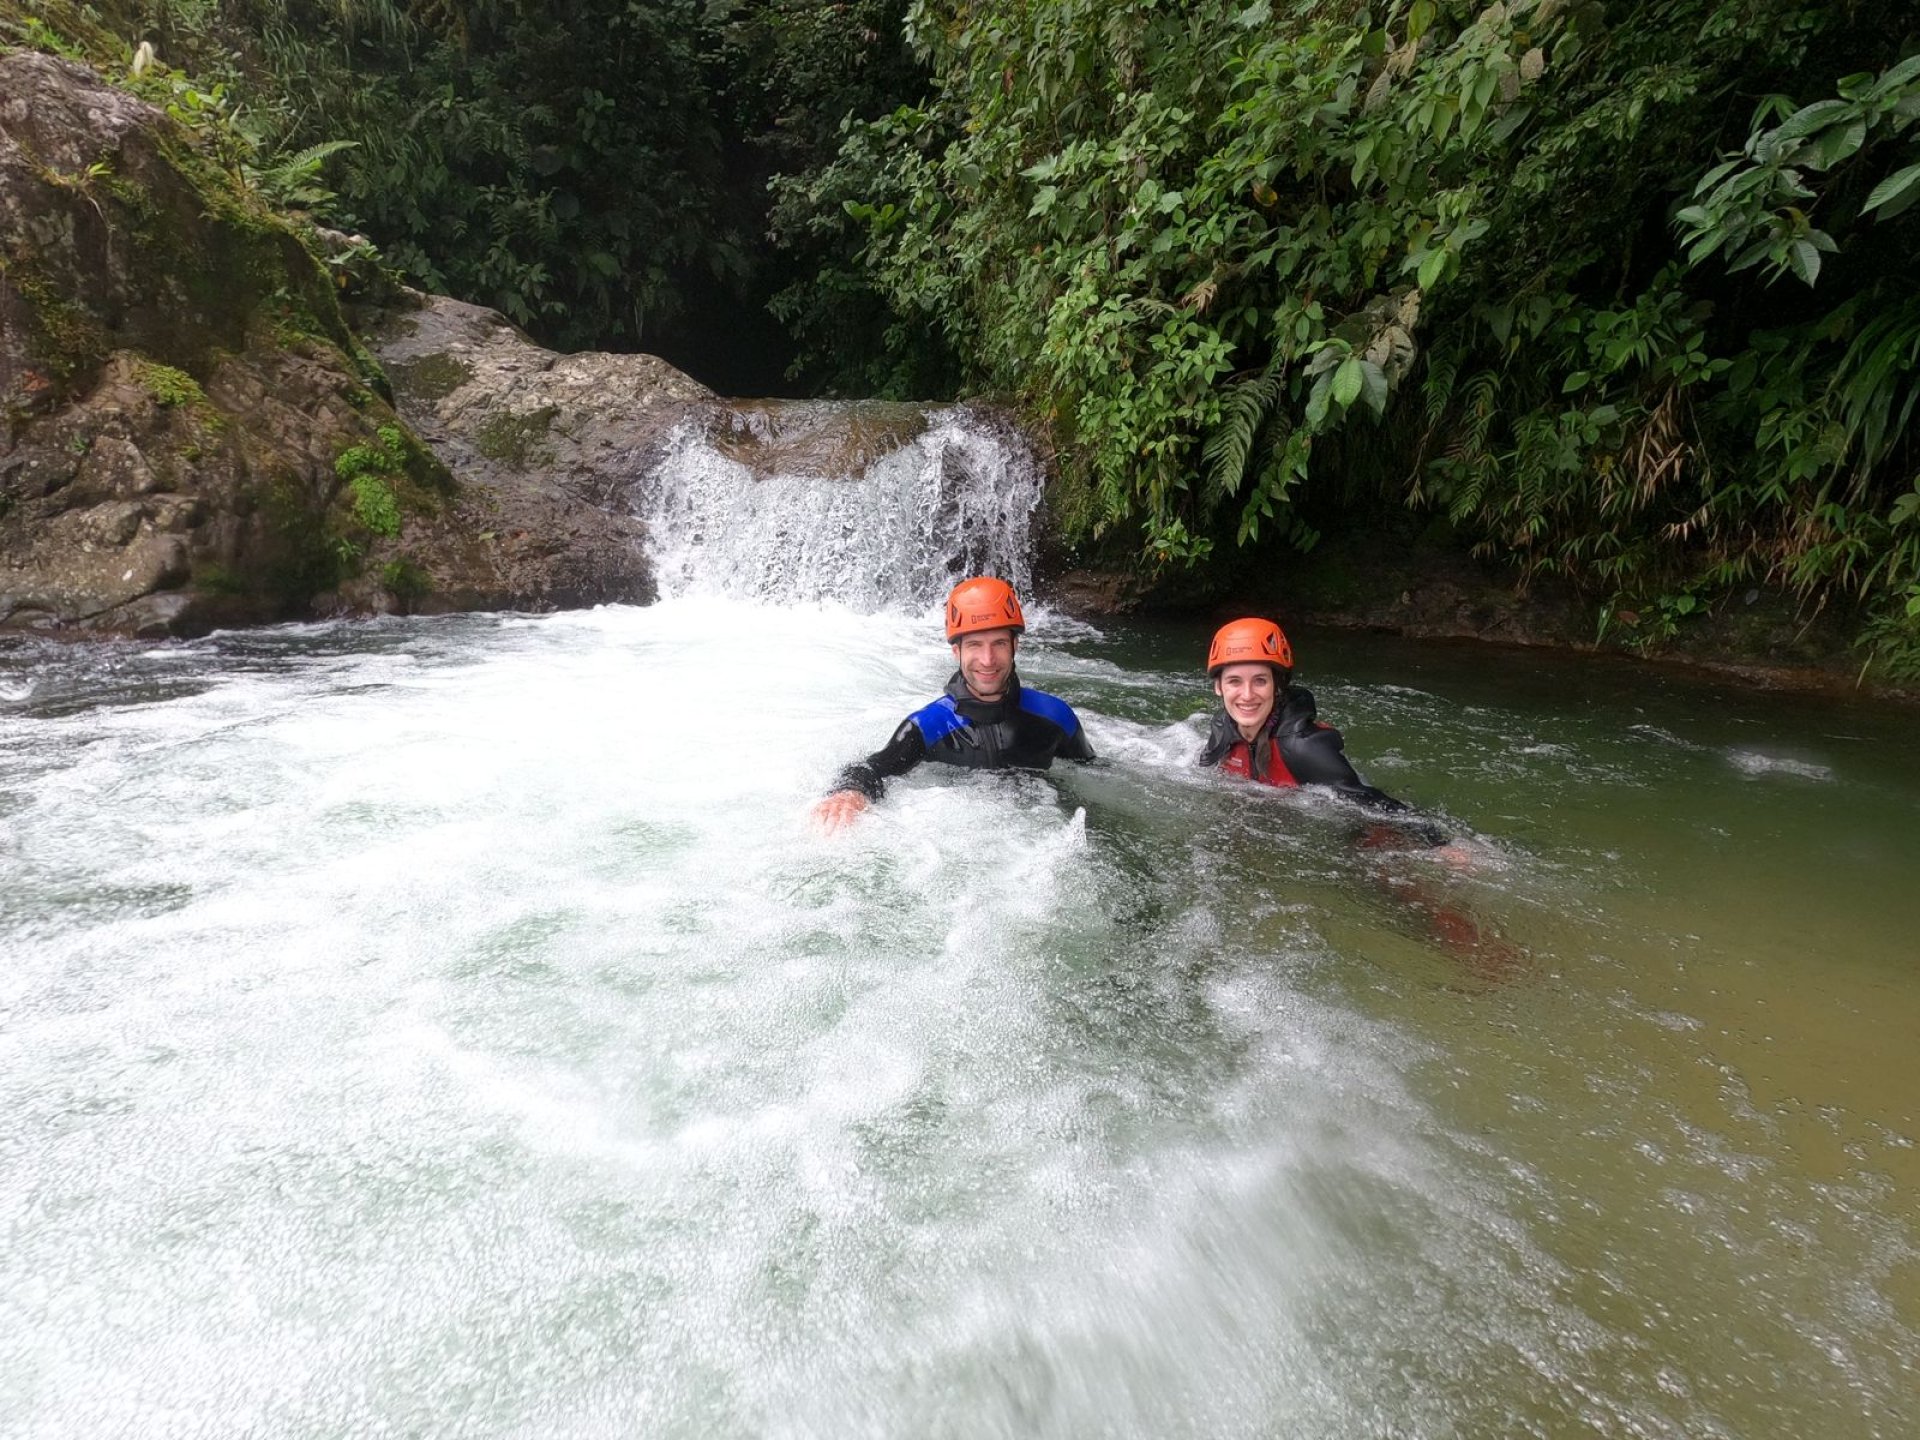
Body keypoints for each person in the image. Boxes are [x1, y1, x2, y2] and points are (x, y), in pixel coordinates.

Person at [813, 576, 1095, 829]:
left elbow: (1094, 774)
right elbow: (874, 767)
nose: (987, 660)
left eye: (998, 643)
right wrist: (849, 791)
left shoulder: (1056, 717)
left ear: (1014, 646)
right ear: (956, 651)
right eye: (975, 645)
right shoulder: (929, 726)